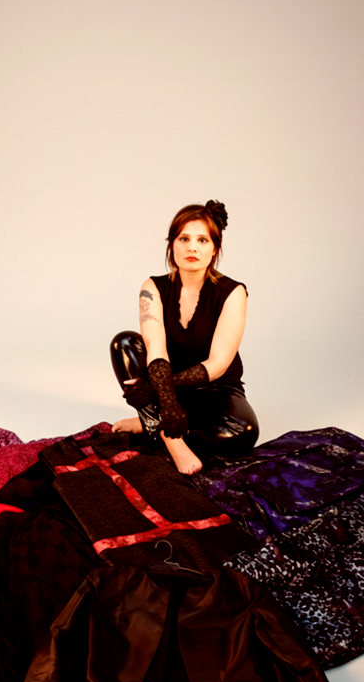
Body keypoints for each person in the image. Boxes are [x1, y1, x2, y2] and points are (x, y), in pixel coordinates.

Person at [111, 200, 259, 475]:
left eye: (202, 240)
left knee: (243, 431)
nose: (192, 247)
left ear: (214, 249)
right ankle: (169, 435)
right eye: (184, 239)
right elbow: (156, 348)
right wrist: (165, 398)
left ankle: (150, 421)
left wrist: (153, 391)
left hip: (215, 389)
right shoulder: (153, 287)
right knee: (125, 343)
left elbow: (218, 364)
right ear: (172, 245)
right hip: (163, 386)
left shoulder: (233, 292)